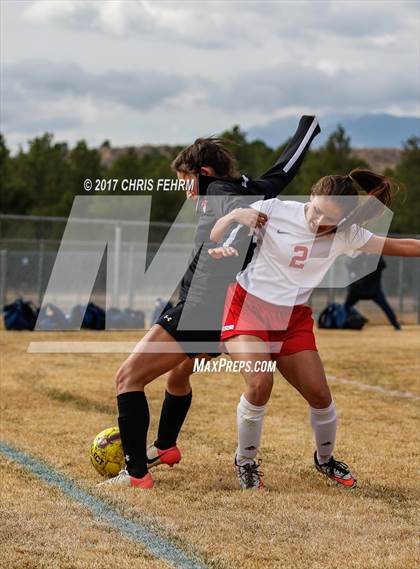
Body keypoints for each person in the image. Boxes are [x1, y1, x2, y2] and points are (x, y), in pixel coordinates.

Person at [101, 116, 321, 489]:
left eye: (186, 181)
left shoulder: (218, 192)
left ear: (202, 172)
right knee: (178, 374)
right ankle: (166, 446)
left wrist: (234, 237)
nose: (185, 191)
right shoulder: (249, 187)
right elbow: (283, 169)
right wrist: (306, 130)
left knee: (127, 379)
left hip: (199, 307)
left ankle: (136, 474)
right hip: (222, 309)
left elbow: (235, 217)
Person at [209, 169, 419, 489]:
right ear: (310, 196)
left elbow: (405, 247)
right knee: (260, 382)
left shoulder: (347, 234)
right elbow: (216, 235)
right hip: (248, 309)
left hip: (293, 319)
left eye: (329, 218)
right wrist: (237, 215)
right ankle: (246, 461)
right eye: (316, 209)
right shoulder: (275, 209)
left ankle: (325, 460)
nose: (318, 221)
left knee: (320, 396)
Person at [344, 254, 401, 330]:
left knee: (386, 308)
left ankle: (396, 325)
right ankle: (344, 322)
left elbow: (382, 265)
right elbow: (351, 266)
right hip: (360, 289)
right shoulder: (361, 257)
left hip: (372, 290)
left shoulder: (374, 256)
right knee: (346, 307)